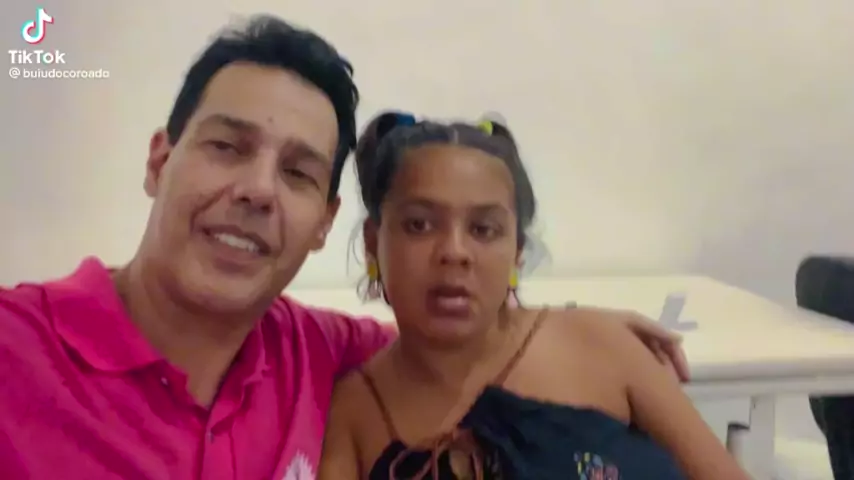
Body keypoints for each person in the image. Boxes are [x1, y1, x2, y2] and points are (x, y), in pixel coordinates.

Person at [0, 15, 687, 480]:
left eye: (297, 173)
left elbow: (458, 340)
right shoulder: (16, 351)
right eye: (228, 146)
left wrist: (576, 329)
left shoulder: (314, 354)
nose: (258, 190)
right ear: (159, 160)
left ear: (325, 223)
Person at [317, 112, 749, 480]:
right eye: (419, 225)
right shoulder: (356, 414)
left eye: (484, 229)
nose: (454, 252)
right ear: (373, 243)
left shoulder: (602, 347)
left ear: (517, 253)